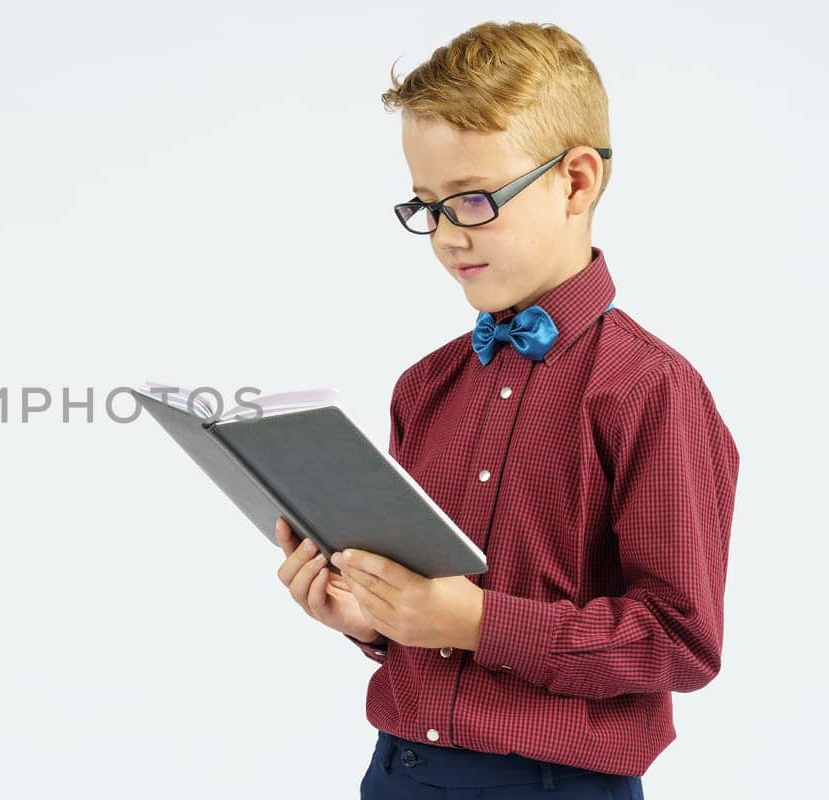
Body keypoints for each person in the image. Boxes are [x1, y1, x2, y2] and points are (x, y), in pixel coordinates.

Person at [273, 20, 739, 799]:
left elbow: (680, 643)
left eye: (475, 199)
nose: (448, 237)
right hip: (398, 771)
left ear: (578, 181)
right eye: (427, 206)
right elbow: (423, 614)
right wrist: (368, 615)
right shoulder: (424, 387)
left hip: (558, 785)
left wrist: (478, 623)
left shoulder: (650, 390)